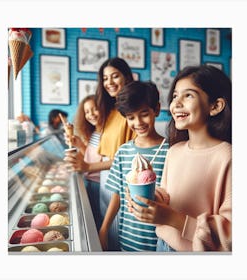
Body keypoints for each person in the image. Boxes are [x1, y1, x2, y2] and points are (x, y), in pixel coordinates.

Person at [127, 65, 232, 252]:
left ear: (215, 106)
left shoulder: (228, 157)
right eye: (175, 96)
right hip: (162, 245)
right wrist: (151, 198)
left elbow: (232, 233)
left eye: (188, 95)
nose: (176, 103)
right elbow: (168, 193)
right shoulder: (174, 150)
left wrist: (173, 219)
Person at [64, 57, 136, 250]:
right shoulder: (110, 112)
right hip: (106, 183)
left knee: (118, 242)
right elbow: (105, 154)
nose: (109, 82)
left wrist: (87, 167)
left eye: (115, 76)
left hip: (121, 188)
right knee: (108, 241)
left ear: (127, 77)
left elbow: (126, 161)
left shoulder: (131, 113)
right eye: (105, 78)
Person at [99, 81, 169, 251]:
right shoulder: (123, 152)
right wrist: (104, 229)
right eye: (131, 117)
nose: (138, 122)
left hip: (160, 242)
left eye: (144, 114)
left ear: (157, 110)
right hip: (128, 239)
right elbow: (117, 194)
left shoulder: (171, 150)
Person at [65, 95, 103, 231]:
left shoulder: (106, 133)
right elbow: (91, 155)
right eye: (87, 112)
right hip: (89, 181)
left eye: (94, 109)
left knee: (98, 220)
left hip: (100, 185)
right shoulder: (94, 133)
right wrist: (80, 144)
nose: (91, 114)